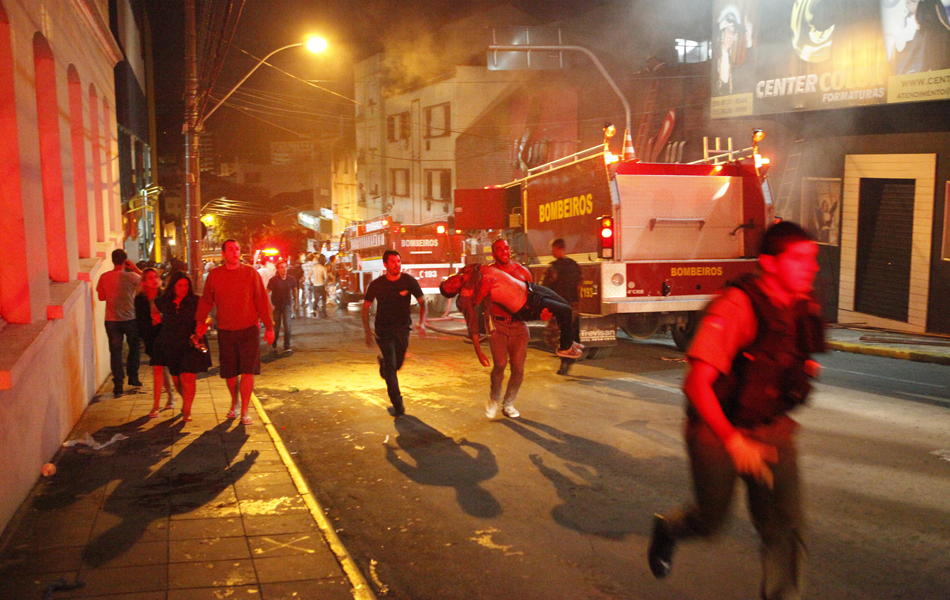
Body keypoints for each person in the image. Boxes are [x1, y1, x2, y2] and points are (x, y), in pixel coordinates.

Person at [648, 221, 825, 600]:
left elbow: (786, 357)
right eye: (801, 260)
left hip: (770, 429)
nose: (813, 268)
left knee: (784, 528)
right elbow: (696, 385)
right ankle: (668, 530)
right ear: (770, 263)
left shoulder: (801, 306)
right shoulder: (738, 305)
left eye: (814, 259)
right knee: (710, 522)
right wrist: (734, 443)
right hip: (717, 432)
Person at [195, 240, 275, 425]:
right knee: (230, 373)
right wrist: (201, 322)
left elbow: (262, 300)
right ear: (223, 254)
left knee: (248, 371)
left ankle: (245, 410)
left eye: (237, 249)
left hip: (249, 329)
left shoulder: (250, 273)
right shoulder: (215, 276)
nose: (235, 252)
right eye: (230, 250)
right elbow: (207, 300)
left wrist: (269, 327)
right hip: (226, 330)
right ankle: (234, 402)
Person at [441, 264, 582, 364]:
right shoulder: (466, 296)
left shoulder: (468, 270)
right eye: (451, 287)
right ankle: (564, 348)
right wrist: (479, 352)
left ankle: (567, 340)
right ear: (456, 292)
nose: (452, 282)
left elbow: (479, 270)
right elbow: (472, 326)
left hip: (530, 289)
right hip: (526, 304)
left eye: (449, 280)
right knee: (565, 310)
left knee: (564, 305)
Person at [362, 250, 427, 417]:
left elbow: (422, 303)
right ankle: (398, 403)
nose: (396, 264)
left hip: (403, 329)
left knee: (396, 365)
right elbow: (365, 307)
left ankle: (384, 366)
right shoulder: (377, 284)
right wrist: (367, 331)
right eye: (392, 262)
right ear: (385, 265)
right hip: (383, 331)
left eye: (398, 261)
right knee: (392, 365)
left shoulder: (409, 281)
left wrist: (422, 323)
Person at [483, 239, 531, 419]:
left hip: (519, 327)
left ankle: (509, 403)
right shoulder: (488, 273)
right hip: (498, 325)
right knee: (500, 364)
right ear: (493, 254)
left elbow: (532, 298)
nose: (503, 252)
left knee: (518, 367)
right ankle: (494, 398)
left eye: (506, 248)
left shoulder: (522, 272)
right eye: (499, 249)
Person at [153, 272, 212, 422]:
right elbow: (154, 315)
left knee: (188, 376)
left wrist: (204, 324)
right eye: (180, 285)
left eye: (186, 285)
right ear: (173, 287)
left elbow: (208, 317)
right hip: (172, 343)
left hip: (192, 341)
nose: (183, 288)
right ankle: (185, 402)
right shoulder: (163, 302)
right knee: (177, 379)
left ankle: (187, 410)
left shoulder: (196, 301)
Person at [96, 249, 143, 396]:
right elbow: (149, 280)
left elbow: (101, 298)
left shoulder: (104, 277)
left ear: (112, 260)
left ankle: (118, 383)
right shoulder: (131, 276)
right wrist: (134, 268)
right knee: (134, 348)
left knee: (115, 352)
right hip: (130, 318)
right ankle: (133, 377)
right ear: (125, 261)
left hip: (111, 320)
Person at [135, 268, 176, 417]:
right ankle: (158, 404)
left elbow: (172, 316)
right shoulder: (140, 299)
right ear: (144, 282)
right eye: (150, 278)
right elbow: (140, 321)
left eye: (156, 277)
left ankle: (172, 398)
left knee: (166, 369)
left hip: (166, 335)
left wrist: (161, 320)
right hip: (151, 337)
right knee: (159, 368)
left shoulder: (165, 296)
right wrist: (152, 322)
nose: (154, 280)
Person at [541, 238, 583, 375]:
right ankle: (568, 359)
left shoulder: (553, 268)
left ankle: (566, 360)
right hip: (572, 305)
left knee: (552, 336)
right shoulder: (574, 266)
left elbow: (545, 288)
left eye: (553, 249)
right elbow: (579, 286)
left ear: (556, 249)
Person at [267, 259, 297, 354]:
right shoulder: (273, 280)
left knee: (288, 326)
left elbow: (294, 290)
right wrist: (270, 305)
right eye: (282, 268)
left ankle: (287, 345)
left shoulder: (291, 279)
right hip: (276, 306)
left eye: (285, 267)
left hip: (287, 305)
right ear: (278, 269)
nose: (284, 270)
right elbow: (267, 292)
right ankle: (274, 343)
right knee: (276, 326)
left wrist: (296, 302)